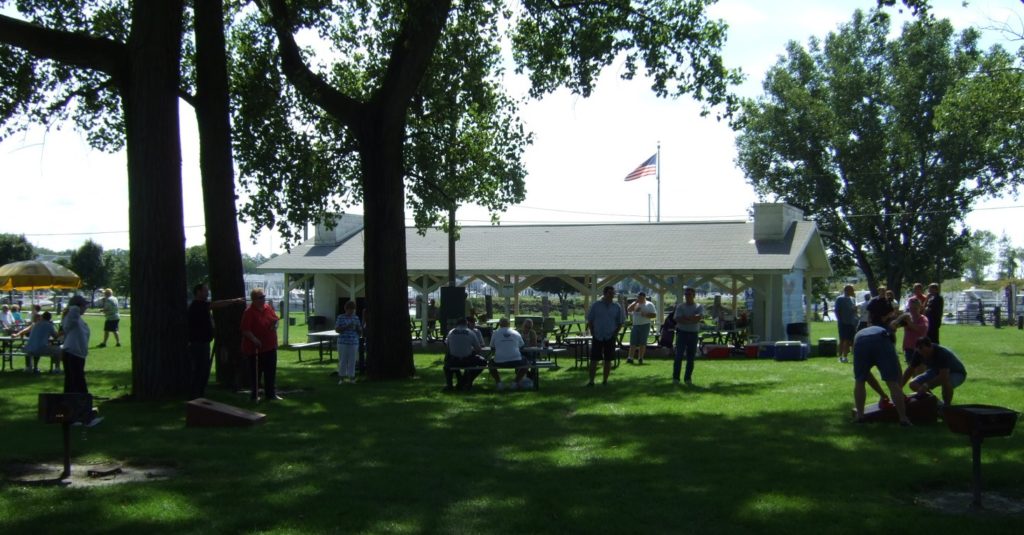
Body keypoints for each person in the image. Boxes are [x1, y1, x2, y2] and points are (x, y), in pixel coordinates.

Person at [187, 284, 245, 398]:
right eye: (205, 291)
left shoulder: (200, 306)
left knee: (202, 369)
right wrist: (234, 301)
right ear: (198, 292)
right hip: (198, 343)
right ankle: (196, 394)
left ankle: (199, 393)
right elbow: (217, 304)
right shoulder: (197, 305)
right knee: (200, 369)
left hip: (203, 342)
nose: (207, 293)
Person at [852, 325, 911, 426]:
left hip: (860, 341)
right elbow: (897, 371)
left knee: (859, 381)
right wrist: (900, 390)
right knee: (892, 382)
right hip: (881, 339)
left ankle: (860, 416)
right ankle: (903, 418)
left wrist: (882, 395)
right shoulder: (887, 337)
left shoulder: (862, 334)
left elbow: (865, 376)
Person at [241, 288, 281, 401]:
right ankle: (255, 395)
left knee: (270, 371)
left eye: (264, 297)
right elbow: (245, 330)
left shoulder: (267, 308)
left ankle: (271, 394)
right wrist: (254, 339)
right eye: (261, 297)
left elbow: (275, 320)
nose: (263, 299)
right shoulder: (249, 312)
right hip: (256, 348)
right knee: (256, 373)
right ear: (254, 299)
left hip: (270, 345)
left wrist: (274, 325)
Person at [901, 337, 967, 406]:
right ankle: (936, 403)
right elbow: (910, 370)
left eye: (925, 353)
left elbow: (943, 376)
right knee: (913, 384)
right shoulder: (919, 352)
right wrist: (899, 387)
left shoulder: (941, 353)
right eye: (921, 353)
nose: (924, 356)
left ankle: (947, 406)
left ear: (930, 346)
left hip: (956, 373)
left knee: (946, 382)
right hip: (936, 370)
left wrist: (926, 385)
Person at [586, 286, 624, 387]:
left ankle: (605, 381)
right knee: (594, 360)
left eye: (613, 293)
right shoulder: (596, 305)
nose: (612, 295)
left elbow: (620, 322)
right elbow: (590, 320)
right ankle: (591, 381)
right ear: (604, 293)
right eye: (610, 293)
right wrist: (593, 332)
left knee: (608, 360)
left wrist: (615, 333)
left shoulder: (617, 306)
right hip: (597, 335)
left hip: (610, 336)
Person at [444, 317, 486, 390]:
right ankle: (466, 381)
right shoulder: (470, 332)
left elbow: (447, 347)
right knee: (483, 362)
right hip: (467, 361)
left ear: (457, 324)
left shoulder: (451, 332)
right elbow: (478, 349)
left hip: (453, 361)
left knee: (447, 363)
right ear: (467, 324)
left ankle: (450, 385)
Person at [488, 317, 531, 390]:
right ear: (509, 324)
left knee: (490, 364)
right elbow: (522, 346)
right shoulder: (516, 332)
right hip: (516, 360)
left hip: (499, 361)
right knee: (527, 363)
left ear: (500, 324)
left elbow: (492, 347)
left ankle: (499, 383)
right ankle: (515, 383)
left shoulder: (495, 333)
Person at [673, 287, 703, 386]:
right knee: (678, 356)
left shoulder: (699, 306)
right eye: (686, 294)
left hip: (693, 334)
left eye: (689, 294)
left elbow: (698, 319)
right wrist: (691, 318)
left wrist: (685, 318)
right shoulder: (680, 306)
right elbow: (678, 319)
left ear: (694, 296)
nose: (687, 296)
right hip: (681, 333)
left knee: (691, 357)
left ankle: (688, 379)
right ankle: (676, 378)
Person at [61, 295, 91, 394]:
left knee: (72, 381)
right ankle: (84, 401)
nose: (86, 308)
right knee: (78, 380)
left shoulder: (76, 318)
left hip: (76, 352)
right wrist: (75, 306)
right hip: (73, 352)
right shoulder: (72, 315)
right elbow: (74, 310)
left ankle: (71, 402)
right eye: (84, 305)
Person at [890, 299, 928, 365]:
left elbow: (920, 330)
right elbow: (893, 326)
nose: (912, 310)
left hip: (920, 348)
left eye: (915, 308)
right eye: (910, 308)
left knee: (919, 371)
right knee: (911, 369)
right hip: (908, 348)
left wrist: (909, 322)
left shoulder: (923, 319)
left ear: (919, 308)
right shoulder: (907, 318)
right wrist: (899, 318)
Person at [335, 300, 362, 384]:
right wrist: (347, 326)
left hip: (353, 342)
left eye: (353, 309)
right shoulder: (340, 317)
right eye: (349, 309)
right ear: (345, 309)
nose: (351, 311)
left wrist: (358, 329)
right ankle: (341, 377)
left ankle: (351, 377)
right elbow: (337, 330)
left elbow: (359, 331)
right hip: (343, 342)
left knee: (352, 360)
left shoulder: (356, 318)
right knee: (343, 360)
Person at [626, 292, 656, 364]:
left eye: (641, 298)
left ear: (644, 297)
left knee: (642, 343)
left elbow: (654, 315)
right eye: (638, 298)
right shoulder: (635, 303)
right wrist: (635, 302)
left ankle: (640, 358)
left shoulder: (649, 304)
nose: (640, 299)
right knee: (633, 342)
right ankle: (630, 358)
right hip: (635, 325)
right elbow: (629, 309)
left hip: (645, 325)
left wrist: (645, 314)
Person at [834, 285, 858, 363]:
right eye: (852, 290)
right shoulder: (840, 299)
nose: (853, 292)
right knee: (842, 340)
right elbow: (837, 311)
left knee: (849, 340)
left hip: (851, 322)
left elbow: (854, 310)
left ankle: (845, 356)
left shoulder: (853, 299)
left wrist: (855, 310)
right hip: (843, 322)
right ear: (847, 290)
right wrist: (840, 320)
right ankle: (840, 356)